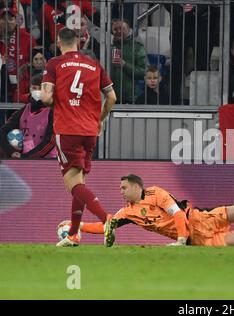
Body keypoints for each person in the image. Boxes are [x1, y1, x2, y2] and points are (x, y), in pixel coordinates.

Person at [78, 174, 234, 247]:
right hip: (197, 240)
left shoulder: (155, 193)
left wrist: (180, 239)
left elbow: (177, 214)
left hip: (199, 220)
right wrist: (77, 226)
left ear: (137, 187)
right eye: (120, 188)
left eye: (124, 187)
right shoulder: (127, 212)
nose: (121, 191)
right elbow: (105, 226)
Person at [41, 27, 117, 247]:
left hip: (67, 129)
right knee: (80, 181)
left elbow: (46, 98)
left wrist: (62, 101)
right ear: (79, 42)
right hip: (90, 131)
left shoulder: (54, 63)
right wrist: (99, 119)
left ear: (58, 42)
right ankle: (74, 234)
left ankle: (107, 219)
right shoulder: (94, 66)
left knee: (73, 184)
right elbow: (112, 97)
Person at [0, 73, 56, 159]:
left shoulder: (53, 112)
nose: (36, 91)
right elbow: (3, 131)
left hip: (48, 161)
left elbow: (50, 142)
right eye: (34, 88)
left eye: (40, 88)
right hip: (25, 161)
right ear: (30, 89)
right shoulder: (23, 111)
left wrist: (27, 157)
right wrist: (11, 151)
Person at [110, 18, 146, 104]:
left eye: (122, 28)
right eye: (115, 29)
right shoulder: (107, 47)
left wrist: (125, 65)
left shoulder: (137, 48)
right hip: (110, 97)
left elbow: (145, 72)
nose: (119, 31)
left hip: (132, 98)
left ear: (129, 30)